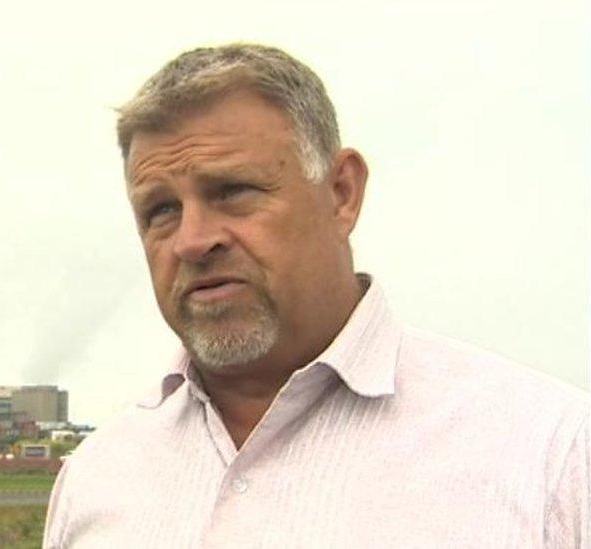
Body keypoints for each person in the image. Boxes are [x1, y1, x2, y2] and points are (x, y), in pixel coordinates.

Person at [43, 44, 589, 548]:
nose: (192, 240)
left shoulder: (548, 452)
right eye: (161, 210)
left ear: (342, 193)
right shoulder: (97, 477)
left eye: (233, 191)